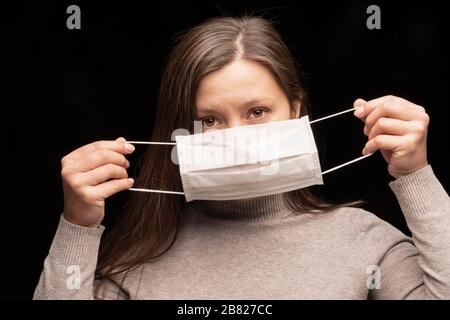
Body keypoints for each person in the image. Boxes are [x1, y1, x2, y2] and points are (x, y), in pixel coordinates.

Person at [34, 15, 449, 300]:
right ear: (180, 133)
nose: (237, 139)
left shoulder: (363, 242)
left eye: (257, 112)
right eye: (210, 120)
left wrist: (417, 175)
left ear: (297, 110)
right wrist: (77, 226)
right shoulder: (135, 263)